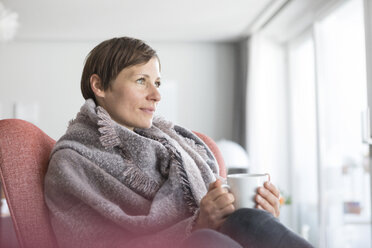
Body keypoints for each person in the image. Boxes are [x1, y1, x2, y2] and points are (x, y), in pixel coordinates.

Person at [45, 37, 313, 248]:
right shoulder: (71, 162)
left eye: (157, 82)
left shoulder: (171, 147)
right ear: (99, 86)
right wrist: (198, 227)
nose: (156, 95)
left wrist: (263, 217)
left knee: (248, 221)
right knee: (207, 241)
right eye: (141, 81)